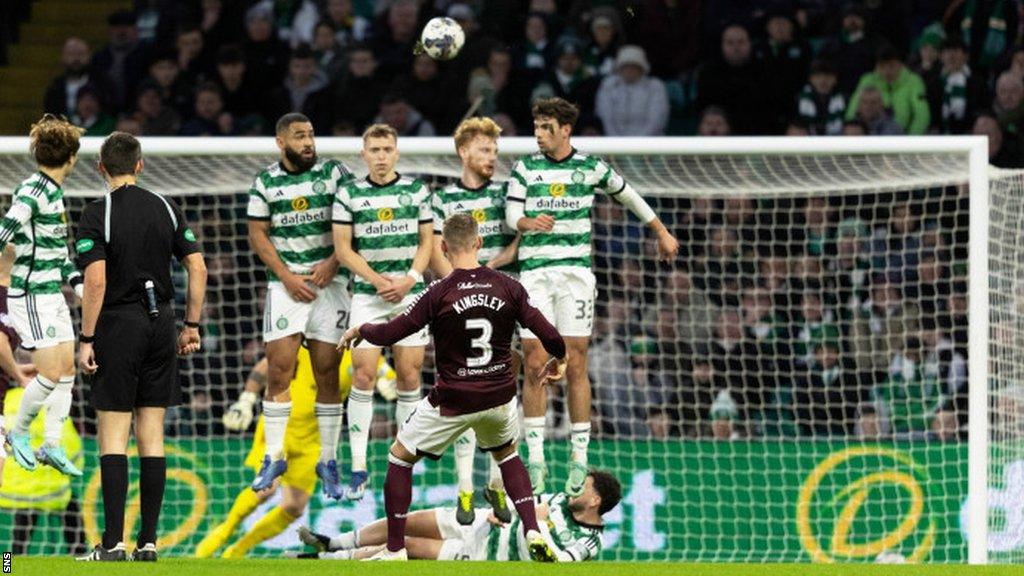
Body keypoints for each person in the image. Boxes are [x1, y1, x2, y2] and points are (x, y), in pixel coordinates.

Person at [336, 213, 567, 561]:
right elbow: (547, 332)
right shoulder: (509, 286)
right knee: (507, 454)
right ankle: (533, 528)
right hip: (498, 395)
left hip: (454, 398)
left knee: (399, 458)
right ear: (479, 243)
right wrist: (560, 358)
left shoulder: (438, 292)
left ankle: (396, 550)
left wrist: (360, 330)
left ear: (443, 247)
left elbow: (392, 332)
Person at [505, 97, 678, 496]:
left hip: (575, 277)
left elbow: (628, 195)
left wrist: (661, 231)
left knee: (576, 359)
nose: (538, 134)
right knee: (535, 362)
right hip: (535, 274)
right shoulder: (525, 169)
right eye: (536, 126)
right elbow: (512, 215)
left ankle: (578, 457)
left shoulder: (590, 167)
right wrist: (527, 221)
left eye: (546, 127)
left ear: (565, 130)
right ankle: (536, 458)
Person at [74, 131, 207, 561]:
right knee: (151, 435)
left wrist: (87, 338)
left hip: (118, 323)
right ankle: (148, 543)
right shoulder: (166, 207)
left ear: (100, 168)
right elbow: (198, 267)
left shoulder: (98, 213)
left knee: (113, 435)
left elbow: (95, 281)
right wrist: (190, 325)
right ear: (140, 164)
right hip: (162, 322)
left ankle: (112, 544)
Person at [194, 347, 397, 558]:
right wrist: (247, 399)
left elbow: (391, 377)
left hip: (314, 439)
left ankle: (238, 550)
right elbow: (268, 364)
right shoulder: (308, 344)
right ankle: (223, 532)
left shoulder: (364, 355)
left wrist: (387, 382)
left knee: (294, 507)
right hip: (281, 427)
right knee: (267, 488)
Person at [246, 113, 353, 500]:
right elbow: (257, 233)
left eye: (311, 134)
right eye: (300, 136)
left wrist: (333, 262)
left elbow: (351, 221)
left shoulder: (335, 173)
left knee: (327, 373)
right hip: (286, 287)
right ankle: (273, 456)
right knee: (279, 372)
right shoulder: (266, 182)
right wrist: (287, 277)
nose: (308, 142)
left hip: (332, 284)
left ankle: (328, 459)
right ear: (281, 142)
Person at [333, 123, 433, 501]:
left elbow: (427, 242)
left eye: (386, 149)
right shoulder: (349, 194)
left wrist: (408, 279)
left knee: (409, 376)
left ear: (396, 153)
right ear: (363, 154)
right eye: (373, 149)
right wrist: (377, 280)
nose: (380, 155)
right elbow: (343, 249)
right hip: (368, 294)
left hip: (409, 295)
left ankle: (402, 457)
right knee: (364, 374)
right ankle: (358, 465)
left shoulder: (417, 191)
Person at [429, 117, 520, 525]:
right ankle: (465, 489)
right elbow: (433, 247)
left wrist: (492, 268)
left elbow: (524, 236)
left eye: (495, 152)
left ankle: (498, 484)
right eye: (485, 150)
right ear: (464, 152)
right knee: (464, 388)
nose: (492, 158)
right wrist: (456, 285)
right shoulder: (442, 199)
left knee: (503, 391)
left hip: (501, 301)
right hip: (459, 306)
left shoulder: (506, 194)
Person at [0, 115, 85, 478]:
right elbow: (6, 229)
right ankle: (17, 433)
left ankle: (51, 443)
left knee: (67, 371)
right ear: (71, 157)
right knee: (50, 374)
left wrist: (80, 288)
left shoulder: (52, 193)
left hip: (52, 293)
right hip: (32, 295)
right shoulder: (34, 191)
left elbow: (59, 255)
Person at [296, 470, 621, 561]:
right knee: (404, 521)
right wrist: (505, 510)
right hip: (482, 522)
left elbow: (560, 563)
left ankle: (324, 561)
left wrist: (538, 528)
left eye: (584, 488)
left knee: (408, 547)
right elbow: (531, 505)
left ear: (594, 500)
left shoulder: (590, 541)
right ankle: (333, 542)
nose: (574, 489)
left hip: (485, 553)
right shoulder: (563, 499)